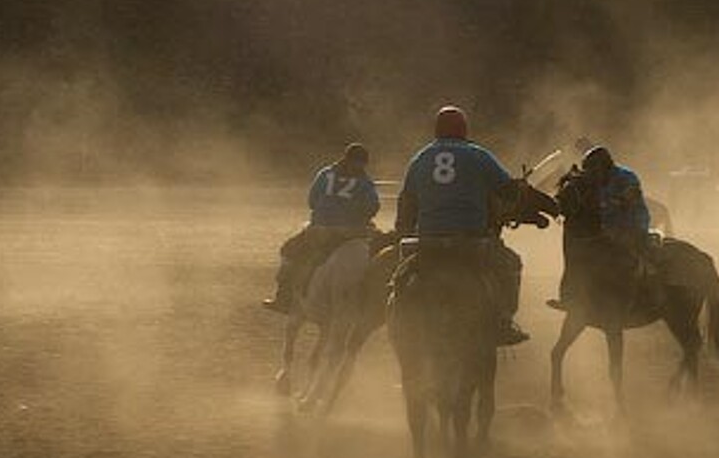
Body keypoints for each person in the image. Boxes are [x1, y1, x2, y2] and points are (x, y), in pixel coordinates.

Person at [395, 105, 528, 345]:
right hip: (471, 242)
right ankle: (503, 322)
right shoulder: (478, 155)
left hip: (429, 242)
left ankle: (399, 323)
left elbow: (407, 200)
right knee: (510, 263)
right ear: (464, 129)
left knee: (400, 278)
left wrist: (403, 228)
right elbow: (508, 191)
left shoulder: (420, 158)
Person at [264, 142, 380, 314]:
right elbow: (372, 207)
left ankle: (283, 297)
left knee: (289, 251)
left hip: (319, 231)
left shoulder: (325, 174)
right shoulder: (365, 182)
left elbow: (312, 201)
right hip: (350, 233)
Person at [549, 144, 655, 311]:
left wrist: (604, 203)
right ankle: (574, 297)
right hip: (607, 228)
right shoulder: (597, 179)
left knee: (620, 257)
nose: (590, 176)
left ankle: (628, 297)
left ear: (603, 167)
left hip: (632, 225)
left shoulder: (626, 177)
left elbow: (628, 201)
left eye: (592, 171)